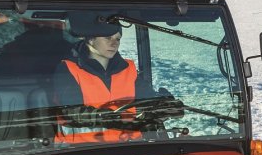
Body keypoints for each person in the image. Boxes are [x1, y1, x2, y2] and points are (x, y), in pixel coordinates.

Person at [51, 15, 182, 143]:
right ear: (90, 39)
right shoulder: (68, 68)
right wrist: (112, 117)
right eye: (108, 38)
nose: (114, 44)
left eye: (117, 39)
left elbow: (146, 96)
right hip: (81, 151)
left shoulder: (128, 68)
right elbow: (71, 112)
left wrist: (162, 105)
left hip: (129, 148)